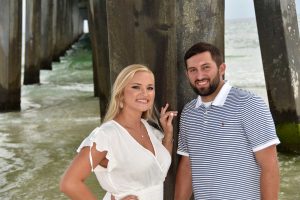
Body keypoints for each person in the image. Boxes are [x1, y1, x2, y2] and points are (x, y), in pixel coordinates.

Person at [175, 42, 280, 200]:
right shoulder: (189, 113)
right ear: (187, 74)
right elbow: (187, 166)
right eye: (193, 70)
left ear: (222, 68)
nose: (199, 76)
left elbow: (270, 166)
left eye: (206, 67)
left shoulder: (249, 104)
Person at [60, 64, 177, 200]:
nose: (145, 93)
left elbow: (158, 172)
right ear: (121, 94)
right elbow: (69, 183)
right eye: (136, 87)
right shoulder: (107, 135)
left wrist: (168, 134)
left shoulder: (149, 128)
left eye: (150, 88)